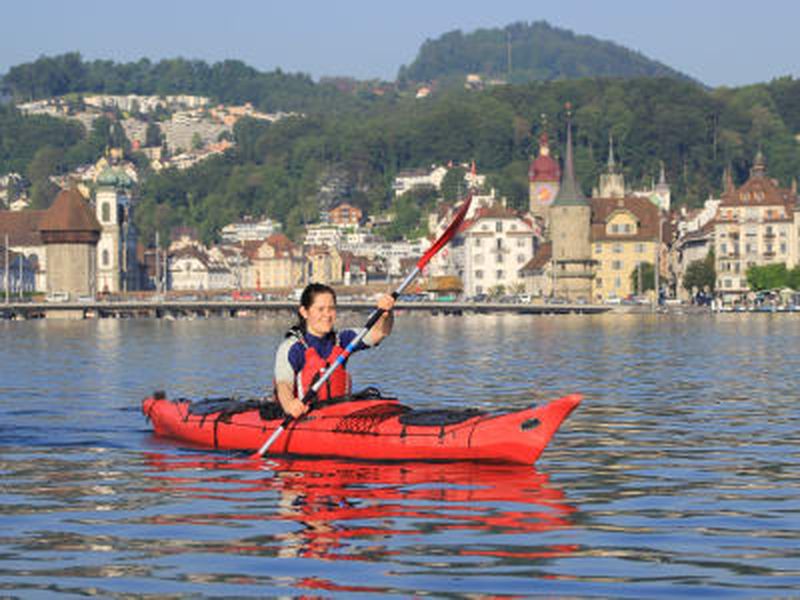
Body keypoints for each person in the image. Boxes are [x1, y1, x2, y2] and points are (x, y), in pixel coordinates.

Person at [273, 283, 396, 418]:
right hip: (304, 417)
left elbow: (378, 333)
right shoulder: (292, 347)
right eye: (320, 309)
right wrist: (290, 404)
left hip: (337, 415)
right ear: (304, 312)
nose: (327, 315)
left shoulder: (343, 340)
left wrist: (386, 314)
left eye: (331, 308)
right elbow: (283, 384)